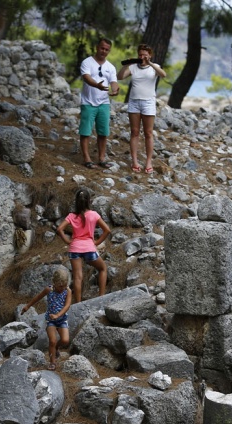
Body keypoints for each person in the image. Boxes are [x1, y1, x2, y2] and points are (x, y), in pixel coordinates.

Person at [116, 43, 167, 174]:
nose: (142, 57)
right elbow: (120, 77)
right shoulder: (133, 67)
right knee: (134, 132)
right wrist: (127, 64)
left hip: (148, 102)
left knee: (148, 133)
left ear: (150, 55)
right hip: (134, 102)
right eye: (140, 55)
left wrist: (149, 63)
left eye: (145, 54)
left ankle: (149, 162)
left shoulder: (154, 67)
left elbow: (163, 75)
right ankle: (134, 161)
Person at [56, 188, 111, 303]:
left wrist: (67, 241)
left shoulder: (71, 216)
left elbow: (60, 229)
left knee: (77, 277)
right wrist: (96, 242)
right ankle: (101, 298)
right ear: (88, 201)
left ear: (76, 201)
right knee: (102, 268)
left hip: (74, 248)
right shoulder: (94, 215)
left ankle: (79, 303)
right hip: (89, 248)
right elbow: (107, 230)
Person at [79, 38, 120, 169]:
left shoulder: (110, 67)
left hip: (104, 103)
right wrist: (96, 85)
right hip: (88, 102)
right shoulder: (87, 62)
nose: (104, 51)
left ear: (109, 51)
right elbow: (86, 77)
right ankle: (86, 158)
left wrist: (115, 89)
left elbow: (113, 81)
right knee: (85, 131)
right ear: (97, 47)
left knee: (103, 132)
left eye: (107, 49)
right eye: (102, 48)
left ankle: (102, 158)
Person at [20, 268, 72, 370]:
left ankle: (56, 347)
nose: (62, 288)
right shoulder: (49, 290)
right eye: (60, 286)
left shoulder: (67, 291)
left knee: (65, 340)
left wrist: (58, 315)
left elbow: (67, 306)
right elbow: (37, 298)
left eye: (65, 286)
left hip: (62, 320)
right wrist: (27, 306)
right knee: (52, 341)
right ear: (55, 283)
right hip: (51, 320)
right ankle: (52, 362)